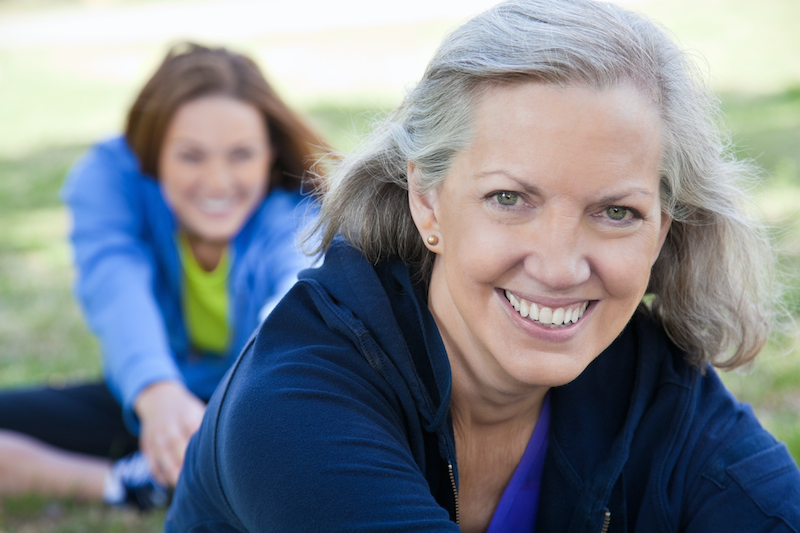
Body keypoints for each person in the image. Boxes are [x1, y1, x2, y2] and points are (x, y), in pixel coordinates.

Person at [166, 0, 800, 530]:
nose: (558, 268)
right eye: (509, 199)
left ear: (662, 230)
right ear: (427, 202)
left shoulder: (653, 384)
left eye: (616, 212)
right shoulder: (296, 405)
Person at [0, 42, 329, 510]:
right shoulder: (114, 181)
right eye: (191, 156)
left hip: (259, 402)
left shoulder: (294, 215)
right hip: (153, 399)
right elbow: (115, 286)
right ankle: (126, 483)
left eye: (240, 155)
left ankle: (201, 472)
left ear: (269, 154)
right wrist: (157, 396)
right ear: (155, 157)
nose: (217, 181)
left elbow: (289, 310)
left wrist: (229, 419)